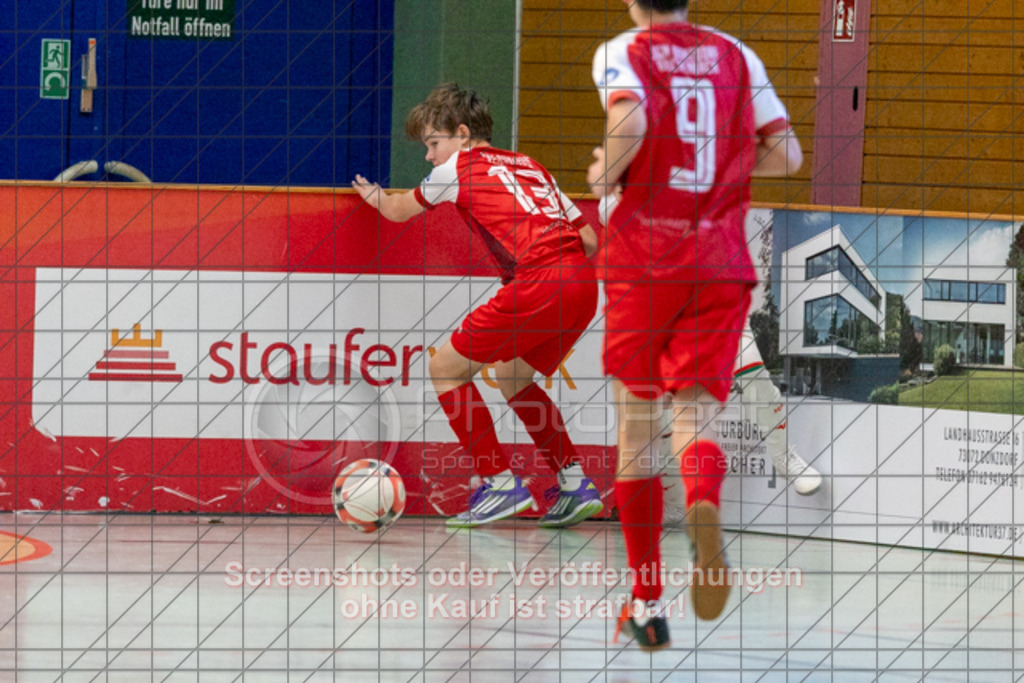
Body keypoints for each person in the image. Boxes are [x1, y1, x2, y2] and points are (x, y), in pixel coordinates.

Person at [587, 0, 803, 650]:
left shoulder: (625, 51)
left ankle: (647, 602)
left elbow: (628, 119)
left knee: (636, 433)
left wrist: (607, 170)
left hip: (646, 256)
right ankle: (702, 500)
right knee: (695, 419)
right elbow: (787, 154)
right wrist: (726, 160)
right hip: (719, 259)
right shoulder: (737, 55)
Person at [353, 83, 604, 529]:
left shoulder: (457, 168)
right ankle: (574, 483)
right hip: (583, 285)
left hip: (540, 281)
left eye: (433, 143)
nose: (429, 155)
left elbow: (398, 210)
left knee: (445, 368)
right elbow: (588, 238)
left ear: (463, 134)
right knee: (512, 377)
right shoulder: (531, 165)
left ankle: (499, 482)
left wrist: (375, 196)